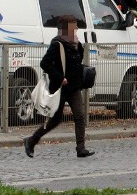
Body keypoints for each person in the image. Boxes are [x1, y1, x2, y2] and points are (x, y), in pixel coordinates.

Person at [24, 15, 95, 158]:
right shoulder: (57, 44)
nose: (76, 28)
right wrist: (59, 77)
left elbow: (76, 62)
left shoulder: (76, 43)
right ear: (64, 28)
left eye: (75, 26)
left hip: (74, 86)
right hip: (60, 87)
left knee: (79, 116)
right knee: (55, 119)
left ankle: (80, 148)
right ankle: (31, 140)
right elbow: (45, 63)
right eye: (73, 26)